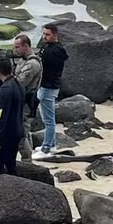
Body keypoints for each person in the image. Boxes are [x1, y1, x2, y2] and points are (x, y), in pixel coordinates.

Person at [35, 23, 69, 160]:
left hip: (48, 87)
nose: (44, 37)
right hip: (46, 86)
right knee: (47, 118)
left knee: (49, 120)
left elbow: (43, 66)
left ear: (55, 35)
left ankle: (46, 148)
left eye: (47, 34)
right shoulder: (48, 48)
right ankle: (53, 144)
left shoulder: (55, 51)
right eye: (43, 34)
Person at [0, 57, 24, 175]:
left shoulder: (4, 89)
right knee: (11, 164)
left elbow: (1, 115)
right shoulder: (18, 84)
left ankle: (1, 191)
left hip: (6, 133)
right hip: (18, 129)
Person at [13, 34, 43, 160]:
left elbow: (20, 81)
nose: (16, 50)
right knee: (24, 132)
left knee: (21, 134)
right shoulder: (23, 59)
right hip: (22, 100)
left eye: (18, 47)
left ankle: (27, 159)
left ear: (26, 46)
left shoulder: (32, 64)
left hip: (26, 103)